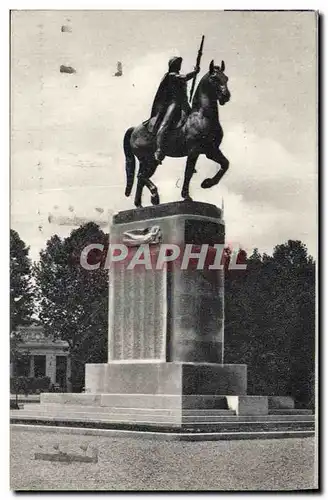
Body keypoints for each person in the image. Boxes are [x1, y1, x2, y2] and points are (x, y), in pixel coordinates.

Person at [149, 56, 200, 164]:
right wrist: (195, 72)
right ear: (173, 65)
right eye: (178, 64)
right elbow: (184, 77)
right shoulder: (171, 75)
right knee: (165, 124)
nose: (180, 65)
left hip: (184, 104)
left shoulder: (176, 75)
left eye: (180, 63)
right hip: (173, 104)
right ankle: (159, 150)